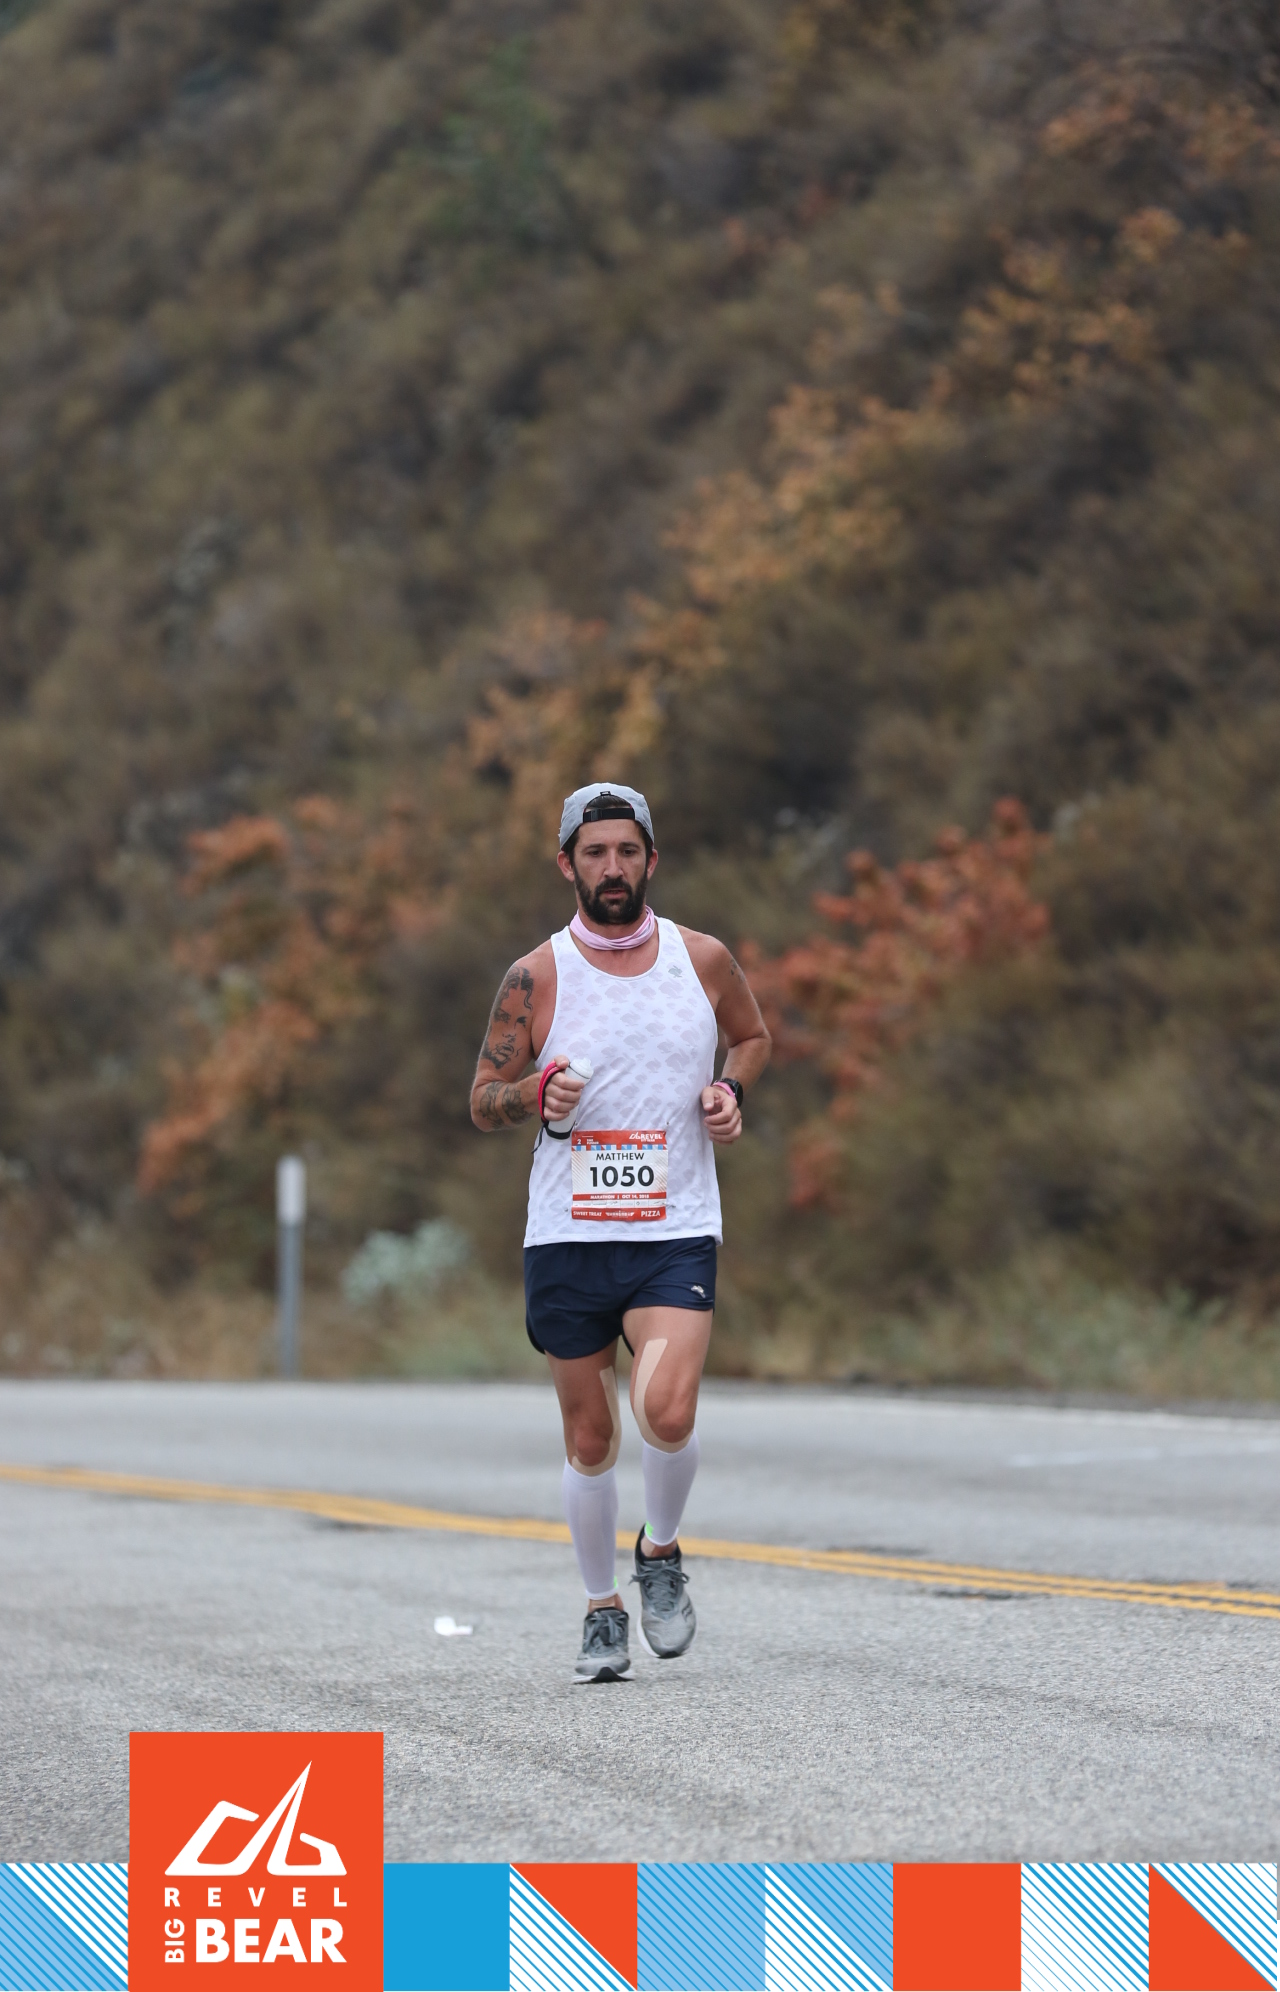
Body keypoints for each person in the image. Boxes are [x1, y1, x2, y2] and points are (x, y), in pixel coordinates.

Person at [470, 782, 772, 1682]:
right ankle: (601, 1608)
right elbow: (482, 1100)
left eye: (627, 852)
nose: (613, 868)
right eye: (595, 853)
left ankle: (661, 1552)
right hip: (568, 1236)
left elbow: (752, 1038)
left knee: (667, 1410)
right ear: (567, 863)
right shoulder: (535, 976)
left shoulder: (701, 958)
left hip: (675, 1227)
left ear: (651, 860)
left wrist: (729, 1091)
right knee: (592, 1437)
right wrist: (534, 1092)